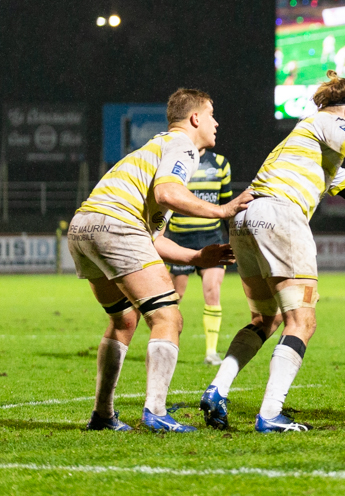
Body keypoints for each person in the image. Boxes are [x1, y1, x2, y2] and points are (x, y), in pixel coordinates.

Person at [201, 72, 345, 433]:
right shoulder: (327, 121)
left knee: (265, 320)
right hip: (279, 216)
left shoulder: (310, 144)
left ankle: (216, 390)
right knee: (302, 321)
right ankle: (270, 413)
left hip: (246, 217)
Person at [70, 88, 252, 432]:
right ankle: (155, 413)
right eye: (212, 114)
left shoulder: (153, 149)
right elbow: (167, 193)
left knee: (124, 320)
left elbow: (152, 239)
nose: (216, 122)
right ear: (195, 118)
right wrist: (223, 210)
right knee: (168, 317)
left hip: (84, 228)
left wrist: (197, 256)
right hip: (116, 225)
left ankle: (103, 415)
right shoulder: (182, 146)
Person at [166, 148, 233, 365]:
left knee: (213, 291)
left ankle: (211, 353)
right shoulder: (176, 161)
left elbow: (226, 205)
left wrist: (234, 239)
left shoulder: (221, 163)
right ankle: (167, 346)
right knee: (175, 296)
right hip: (179, 238)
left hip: (210, 238)